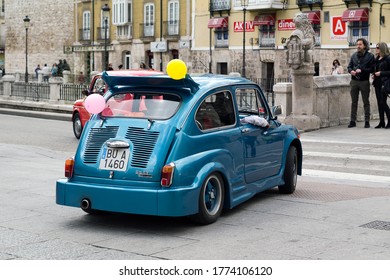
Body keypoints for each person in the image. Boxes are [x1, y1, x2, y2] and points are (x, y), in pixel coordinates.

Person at [347, 38, 375, 128]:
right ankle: (352, 121)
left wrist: (362, 70)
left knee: (366, 102)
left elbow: (372, 69)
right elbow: (349, 66)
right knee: (353, 102)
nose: (358, 46)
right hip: (354, 81)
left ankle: (367, 121)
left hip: (364, 81)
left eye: (360, 44)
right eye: (357, 44)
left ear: (365, 46)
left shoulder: (370, 56)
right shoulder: (354, 55)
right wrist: (351, 71)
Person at [372, 42, 390, 129]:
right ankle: (381, 122)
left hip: (385, 83)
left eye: (378, 47)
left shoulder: (388, 59)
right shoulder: (377, 59)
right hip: (377, 83)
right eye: (376, 47)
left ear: (382, 48)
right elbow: (375, 69)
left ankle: (389, 121)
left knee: (383, 102)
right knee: (379, 103)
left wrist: (381, 73)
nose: (376, 49)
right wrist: (374, 74)